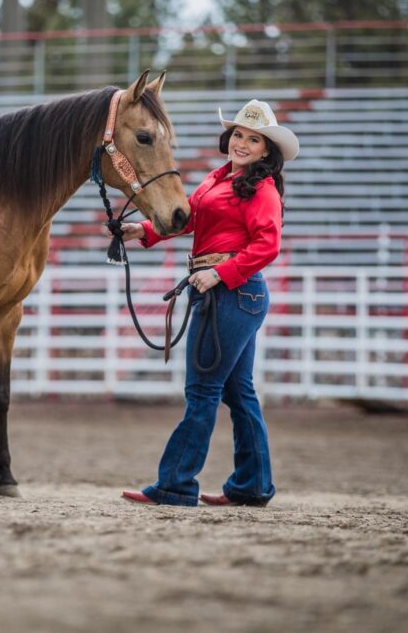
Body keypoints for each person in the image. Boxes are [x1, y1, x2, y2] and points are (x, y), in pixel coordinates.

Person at [119, 99, 299, 507]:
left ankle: (176, 484)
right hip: (231, 294)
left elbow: (268, 245)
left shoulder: (262, 190)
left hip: (231, 292)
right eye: (239, 134)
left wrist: (220, 273)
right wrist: (141, 231)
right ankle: (252, 486)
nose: (242, 143)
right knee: (239, 394)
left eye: (253, 140)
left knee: (202, 391)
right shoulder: (217, 180)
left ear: (265, 151)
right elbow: (191, 220)